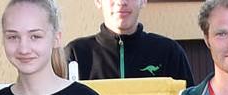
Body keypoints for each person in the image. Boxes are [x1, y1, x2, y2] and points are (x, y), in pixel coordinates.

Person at [67, 0, 195, 84]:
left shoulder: (169, 53)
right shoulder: (75, 55)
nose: (121, 2)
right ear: (98, 1)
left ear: (143, 1)